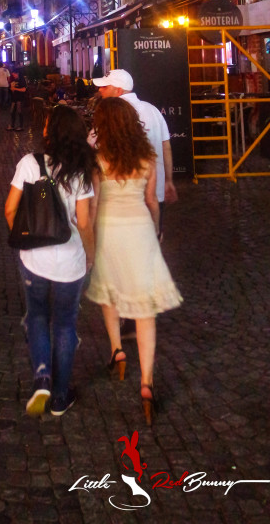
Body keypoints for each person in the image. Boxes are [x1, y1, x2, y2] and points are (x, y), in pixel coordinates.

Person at [85, 97, 182, 423]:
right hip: (140, 228)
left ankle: (118, 351)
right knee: (145, 309)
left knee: (108, 291)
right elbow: (152, 202)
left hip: (110, 229)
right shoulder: (146, 157)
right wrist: (157, 230)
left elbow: (94, 205)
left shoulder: (97, 159)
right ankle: (147, 383)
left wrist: (90, 242)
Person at [4, 105, 95, 417]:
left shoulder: (29, 163)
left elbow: (9, 209)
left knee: (38, 316)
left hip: (34, 260)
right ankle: (59, 397)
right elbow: (84, 222)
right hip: (70, 261)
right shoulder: (81, 170)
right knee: (66, 324)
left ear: (48, 132)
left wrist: (24, 241)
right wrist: (91, 255)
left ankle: (42, 375)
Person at [93, 69, 177, 236]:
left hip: (121, 198)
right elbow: (165, 146)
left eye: (105, 86)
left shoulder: (109, 115)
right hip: (155, 190)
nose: (100, 90)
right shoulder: (152, 110)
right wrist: (168, 180)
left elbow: (93, 147)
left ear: (118, 90)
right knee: (151, 240)